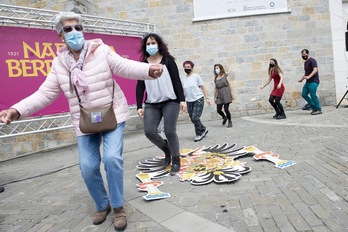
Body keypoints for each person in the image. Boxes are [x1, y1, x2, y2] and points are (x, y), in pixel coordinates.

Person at [0, 11, 163, 231]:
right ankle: (102, 204)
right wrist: (16, 110)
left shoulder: (102, 50)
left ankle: (117, 206)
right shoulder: (59, 64)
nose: (75, 32)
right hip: (84, 120)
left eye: (78, 27)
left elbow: (124, 66)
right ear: (60, 35)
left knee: (113, 159)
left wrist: (148, 70)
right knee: (87, 167)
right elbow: (44, 94)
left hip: (112, 114)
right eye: (68, 29)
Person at [136, 33, 186, 175]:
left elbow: (176, 81)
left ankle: (176, 160)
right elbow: (140, 87)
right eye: (148, 44)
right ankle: (167, 149)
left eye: (153, 43)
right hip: (152, 103)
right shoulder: (143, 64)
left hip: (170, 101)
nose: (151, 46)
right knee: (149, 131)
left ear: (159, 44)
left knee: (170, 131)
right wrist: (139, 106)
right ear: (145, 47)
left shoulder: (168, 61)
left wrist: (182, 100)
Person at [181, 60, 211, 142]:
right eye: (185, 67)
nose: (187, 69)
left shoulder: (196, 76)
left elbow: (203, 87)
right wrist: (182, 102)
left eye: (188, 67)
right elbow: (183, 92)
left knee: (195, 117)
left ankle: (199, 134)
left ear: (192, 68)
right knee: (192, 118)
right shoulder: (183, 79)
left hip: (198, 99)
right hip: (189, 101)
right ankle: (203, 129)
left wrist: (207, 98)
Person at [298, 49, 322, 115]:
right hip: (308, 82)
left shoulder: (312, 60)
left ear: (308, 54)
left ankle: (319, 109)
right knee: (304, 94)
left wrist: (309, 77)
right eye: (302, 55)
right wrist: (302, 79)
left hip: (314, 81)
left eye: (304, 54)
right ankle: (313, 106)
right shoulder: (306, 62)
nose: (303, 56)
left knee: (313, 95)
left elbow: (315, 70)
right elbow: (306, 72)